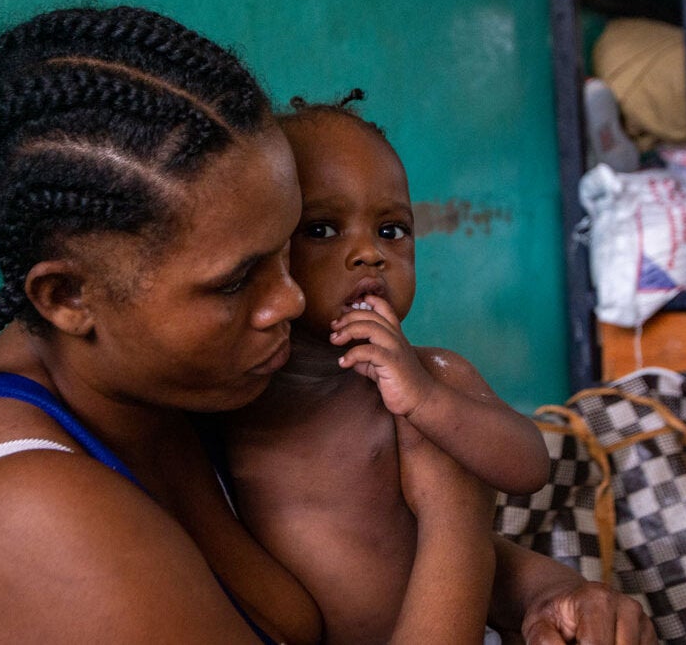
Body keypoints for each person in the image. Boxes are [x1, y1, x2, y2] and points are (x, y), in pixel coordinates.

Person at [0, 5, 653, 644]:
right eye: (237, 281)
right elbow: (434, 523)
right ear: (65, 298)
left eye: (285, 251)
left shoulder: (169, 386)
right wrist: (459, 518)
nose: (293, 302)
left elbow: (358, 547)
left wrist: (542, 592)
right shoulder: (41, 520)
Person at [222, 91, 563, 644]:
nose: (369, 254)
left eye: (391, 230)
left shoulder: (430, 374)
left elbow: (529, 467)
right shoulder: (231, 404)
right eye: (322, 229)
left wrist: (429, 400)